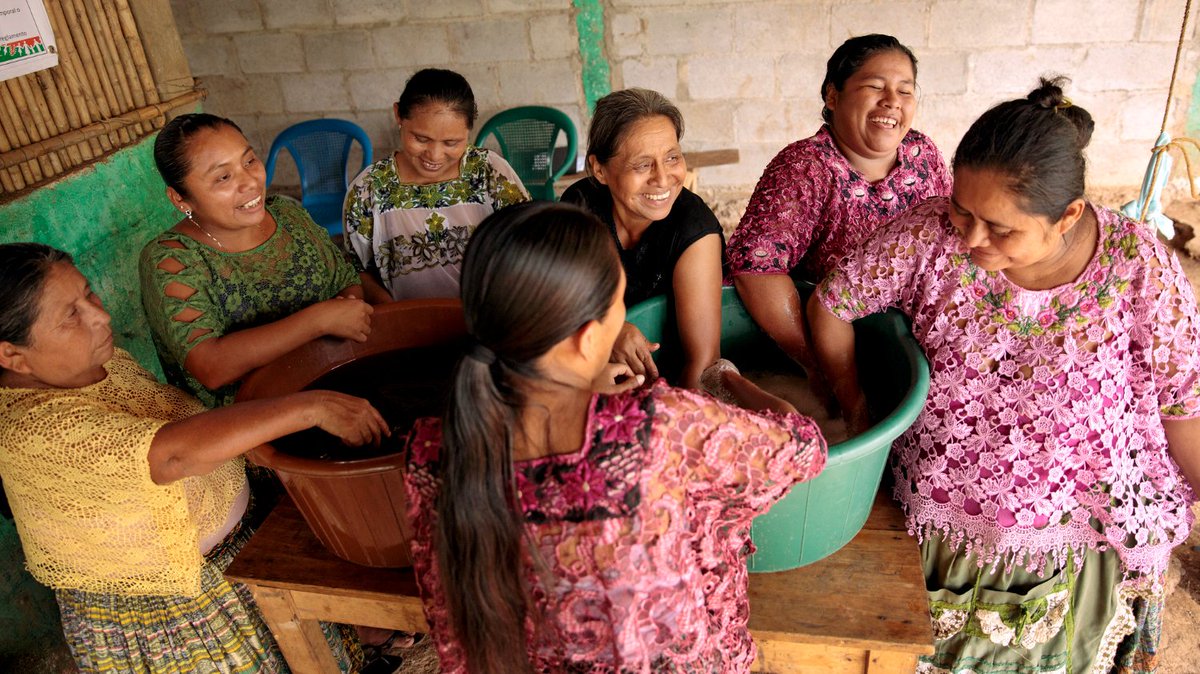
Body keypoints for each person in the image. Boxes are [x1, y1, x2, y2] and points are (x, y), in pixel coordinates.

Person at [808, 78, 1200, 673]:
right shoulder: (928, 234)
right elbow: (833, 303)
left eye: (1001, 228)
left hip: (1077, 529)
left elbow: (1183, 404)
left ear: (1067, 215)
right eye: (962, 210)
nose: (969, 237)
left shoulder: (1139, 266)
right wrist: (853, 401)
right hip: (946, 521)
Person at [402, 201, 828, 673]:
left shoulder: (432, 448)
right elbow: (802, 447)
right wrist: (729, 379)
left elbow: (447, 606)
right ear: (587, 339)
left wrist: (584, 386)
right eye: (619, 304)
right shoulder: (658, 427)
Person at [0, 243, 389, 673]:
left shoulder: (101, 366)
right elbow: (173, 455)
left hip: (235, 561)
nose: (101, 315)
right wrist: (311, 408)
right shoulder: (29, 429)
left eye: (88, 294)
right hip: (174, 614)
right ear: (10, 355)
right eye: (71, 316)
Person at [727, 34, 952, 389]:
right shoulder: (805, 167)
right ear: (833, 95)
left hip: (909, 338)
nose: (893, 101)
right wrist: (815, 362)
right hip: (830, 335)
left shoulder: (923, 155)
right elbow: (757, 267)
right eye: (875, 86)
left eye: (905, 90)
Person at [140, 113, 372, 409]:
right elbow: (211, 366)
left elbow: (346, 282)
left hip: (334, 384)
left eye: (249, 161)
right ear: (180, 199)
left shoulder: (289, 215)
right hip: (253, 423)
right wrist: (319, 321)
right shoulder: (172, 260)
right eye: (223, 177)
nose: (250, 181)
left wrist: (335, 344)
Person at [562, 88, 724, 389]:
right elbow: (555, 302)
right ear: (599, 169)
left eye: (672, 158)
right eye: (642, 165)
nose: (663, 179)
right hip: (597, 371)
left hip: (673, 384)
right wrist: (608, 330)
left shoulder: (694, 228)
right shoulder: (580, 208)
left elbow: (702, 365)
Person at [343, 68, 530, 303]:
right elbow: (356, 270)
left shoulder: (490, 172)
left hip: (489, 322)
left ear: (469, 130)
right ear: (398, 114)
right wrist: (397, 315)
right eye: (421, 139)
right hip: (410, 328)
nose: (434, 155)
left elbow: (529, 247)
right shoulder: (368, 188)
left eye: (451, 142)